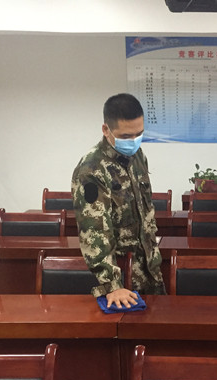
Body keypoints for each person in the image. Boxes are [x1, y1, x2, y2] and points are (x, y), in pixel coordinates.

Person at [71, 93, 165, 308]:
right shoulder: (91, 169)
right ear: (106, 130)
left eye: (139, 134)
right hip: (121, 276)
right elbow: (94, 230)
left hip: (149, 267)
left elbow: (145, 209)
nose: (133, 141)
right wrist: (112, 285)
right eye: (126, 136)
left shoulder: (137, 156)